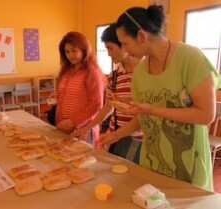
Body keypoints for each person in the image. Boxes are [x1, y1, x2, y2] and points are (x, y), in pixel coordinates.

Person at [100, 5, 221, 191]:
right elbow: (142, 118)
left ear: (141, 36)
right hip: (152, 161)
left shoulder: (190, 58)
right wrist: (114, 135)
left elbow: (206, 115)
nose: (123, 49)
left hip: (188, 163)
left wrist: (153, 110)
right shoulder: (140, 71)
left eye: (124, 43)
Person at [72, 24, 142, 163]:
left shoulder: (145, 74)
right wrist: (87, 128)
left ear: (125, 45)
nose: (109, 54)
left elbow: (144, 115)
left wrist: (116, 135)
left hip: (137, 140)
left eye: (110, 48)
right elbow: (108, 107)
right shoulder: (115, 76)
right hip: (115, 137)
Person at [56, 31, 104, 145]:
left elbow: (96, 104)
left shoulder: (92, 72)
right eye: (67, 51)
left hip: (84, 129)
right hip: (64, 127)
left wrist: (74, 122)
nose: (70, 55)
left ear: (84, 50)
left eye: (74, 50)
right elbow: (66, 94)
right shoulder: (66, 71)